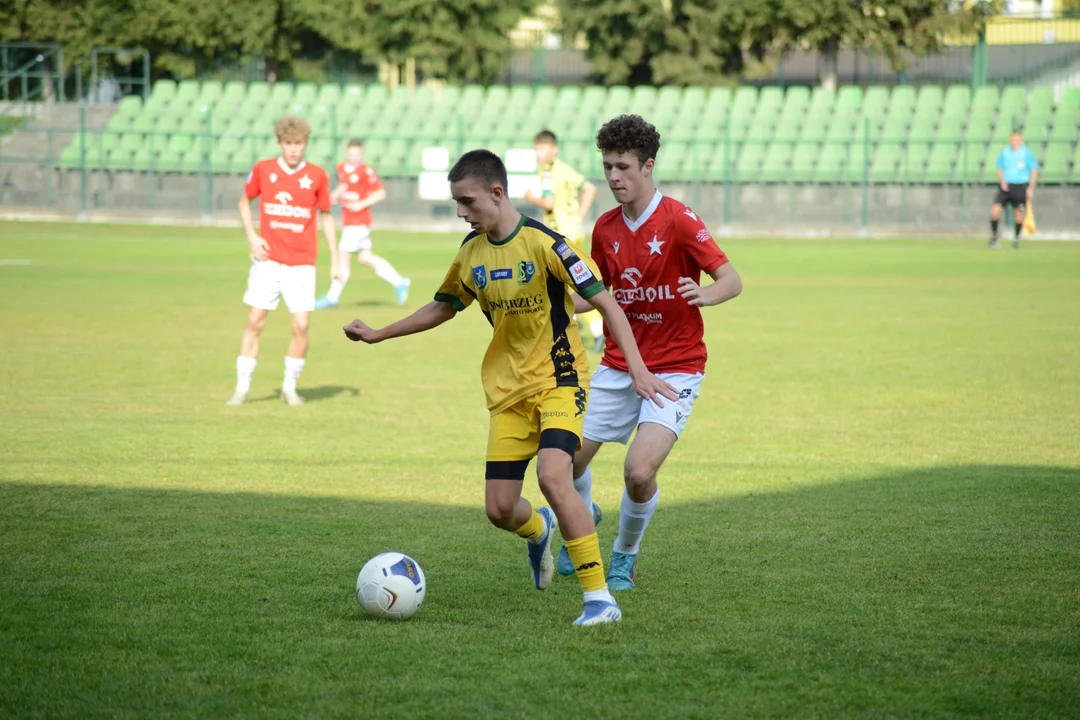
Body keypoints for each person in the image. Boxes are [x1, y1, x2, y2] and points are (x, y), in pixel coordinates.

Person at [342, 149, 678, 625]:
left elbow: (607, 304)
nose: (461, 211)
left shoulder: (548, 245)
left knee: (553, 476)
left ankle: (600, 600)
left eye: (467, 201)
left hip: (560, 381)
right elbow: (442, 307)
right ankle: (540, 530)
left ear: (496, 193)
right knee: (500, 510)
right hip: (508, 394)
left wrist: (639, 370)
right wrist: (379, 333)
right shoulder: (471, 252)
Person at [558, 114, 743, 588]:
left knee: (638, 472)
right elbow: (597, 292)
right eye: (607, 167)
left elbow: (732, 280)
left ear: (647, 166)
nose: (613, 177)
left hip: (676, 368)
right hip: (619, 366)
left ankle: (623, 555)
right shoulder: (604, 228)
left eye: (622, 167)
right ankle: (587, 516)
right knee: (566, 462)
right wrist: (550, 308)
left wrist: (706, 295)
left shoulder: (679, 220)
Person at [227, 116, 338, 406]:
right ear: (279, 144)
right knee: (255, 320)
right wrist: (252, 236)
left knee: (300, 326)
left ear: (305, 144)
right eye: (288, 144)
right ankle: (242, 387)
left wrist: (336, 259)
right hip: (268, 261)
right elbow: (243, 201)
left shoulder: (317, 175)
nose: (293, 149)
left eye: (298, 144)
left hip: (302, 263)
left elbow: (326, 216)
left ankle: (289, 387)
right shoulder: (263, 169)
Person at [524, 130, 604, 352]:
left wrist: (531, 198)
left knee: (563, 286)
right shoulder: (564, 169)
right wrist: (580, 216)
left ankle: (584, 329)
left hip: (560, 235)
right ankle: (589, 329)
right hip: (573, 232)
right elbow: (589, 188)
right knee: (570, 285)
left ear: (554, 149)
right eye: (537, 149)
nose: (539, 153)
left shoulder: (549, 172)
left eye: (543, 148)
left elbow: (548, 203)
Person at [315, 139, 410, 308]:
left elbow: (380, 193)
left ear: (362, 155)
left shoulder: (366, 171)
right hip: (349, 221)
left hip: (358, 222)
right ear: (347, 154)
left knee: (342, 257)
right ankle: (399, 282)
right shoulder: (342, 168)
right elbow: (345, 185)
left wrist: (361, 204)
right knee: (365, 257)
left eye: (358, 155)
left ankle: (332, 297)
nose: (354, 157)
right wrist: (335, 196)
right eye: (351, 154)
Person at [990, 130, 1039, 250]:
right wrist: (1002, 181)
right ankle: (994, 238)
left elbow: (1034, 169)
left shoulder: (1026, 153)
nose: (1014, 142)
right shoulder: (1005, 152)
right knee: (995, 211)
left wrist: (1030, 187)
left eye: (1016, 139)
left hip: (1020, 187)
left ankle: (1016, 239)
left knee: (1018, 215)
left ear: (1020, 140)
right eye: (1012, 139)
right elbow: (999, 167)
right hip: (1006, 187)